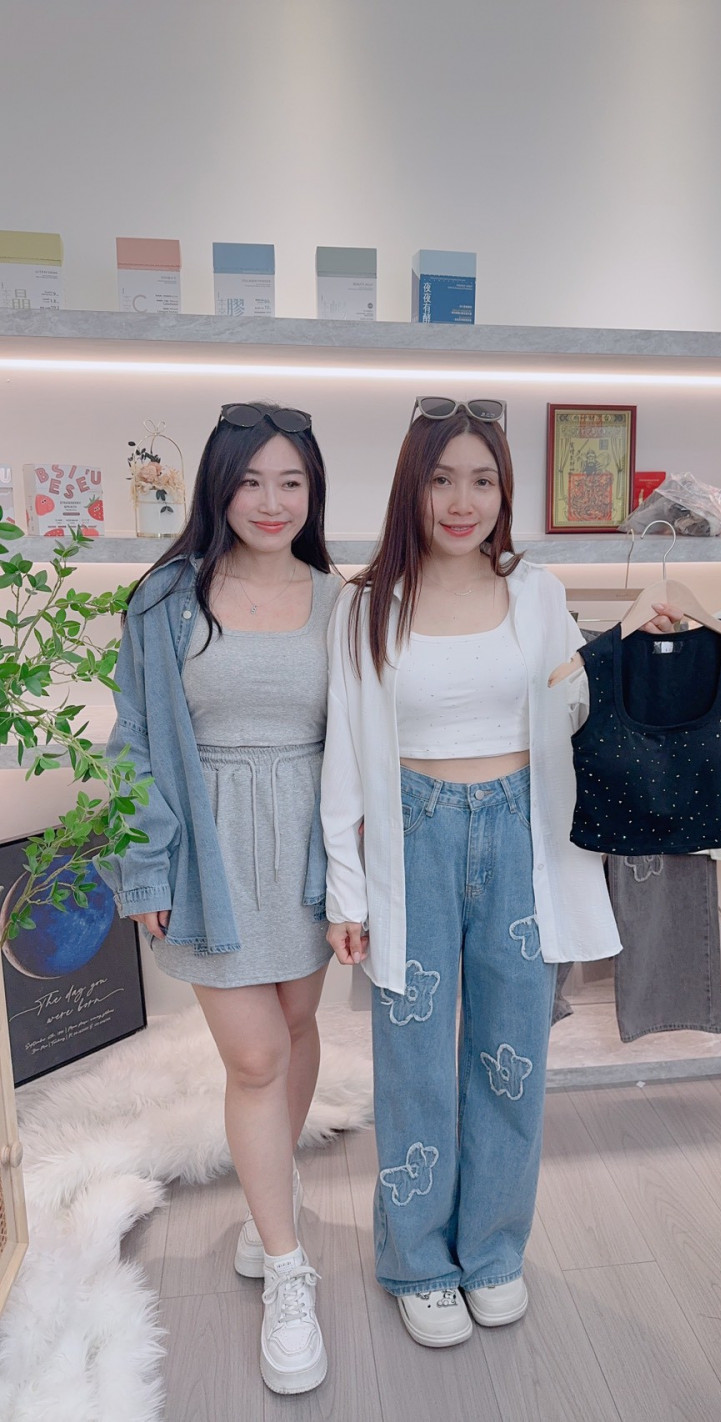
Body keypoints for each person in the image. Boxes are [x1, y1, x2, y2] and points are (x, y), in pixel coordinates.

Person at [320, 397, 679, 1347]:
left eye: (482, 480)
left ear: (503, 492)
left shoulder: (537, 592)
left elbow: (573, 709)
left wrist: (636, 647)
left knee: (512, 1055)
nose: (461, 501)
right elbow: (345, 756)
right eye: (442, 479)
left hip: (522, 834)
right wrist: (347, 891)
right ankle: (415, 1262)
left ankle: (491, 1251)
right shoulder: (366, 604)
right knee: (414, 1065)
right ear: (412, 486)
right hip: (414, 836)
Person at [99, 402, 341, 1395]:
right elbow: (132, 740)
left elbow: (363, 744)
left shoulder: (343, 602)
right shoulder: (164, 598)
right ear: (217, 487)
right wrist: (144, 868)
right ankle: (288, 1270)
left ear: (312, 492)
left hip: (309, 849)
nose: (271, 501)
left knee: (298, 1029)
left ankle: (269, 1198)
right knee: (254, 1057)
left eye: (291, 482)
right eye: (250, 481)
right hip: (209, 850)